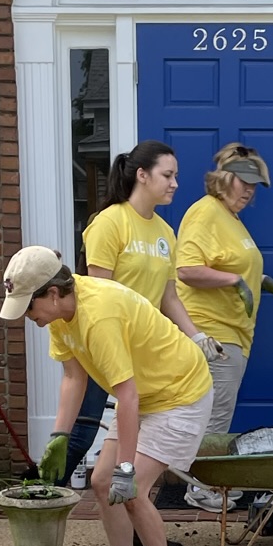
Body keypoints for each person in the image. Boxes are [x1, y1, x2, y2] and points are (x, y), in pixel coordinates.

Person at [10, 249, 212, 546]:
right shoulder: (60, 316)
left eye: (28, 306)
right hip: (143, 394)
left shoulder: (98, 314)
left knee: (131, 490)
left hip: (179, 393)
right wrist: (59, 435)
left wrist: (127, 469)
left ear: (52, 294)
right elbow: (74, 377)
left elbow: (126, 395)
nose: (26, 315)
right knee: (102, 482)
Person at [61, 140, 210, 485]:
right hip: (106, 344)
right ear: (142, 175)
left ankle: (127, 511)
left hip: (143, 352)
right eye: (167, 175)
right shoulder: (110, 222)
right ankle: (45, 501)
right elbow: (98, 293)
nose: (175, 184)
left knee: (128, 459)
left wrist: (197, 336)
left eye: (175, 176)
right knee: (81, 434)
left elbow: (168, 297)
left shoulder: (165, 232)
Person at [175, 143, 273, 506]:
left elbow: (229, 263)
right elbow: (187, 269)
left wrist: (262, 281)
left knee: (217, 413)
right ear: (224, 178)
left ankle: (205, 482)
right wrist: (235, 281)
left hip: (234, 332)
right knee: (214, 416)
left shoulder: (230, 217)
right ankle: (201, 488)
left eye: (254, 185)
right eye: (244, 182)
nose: (249, 190)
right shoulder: (205, 212)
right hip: (213, 332)